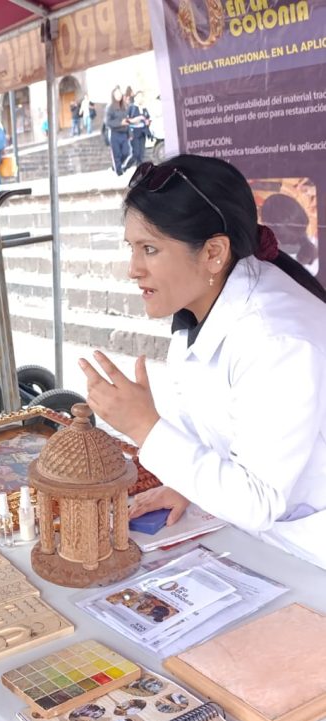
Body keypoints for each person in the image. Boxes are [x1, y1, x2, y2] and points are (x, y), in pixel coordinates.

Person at [79, 154, 326, 570]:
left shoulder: (276, 340)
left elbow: (257, 501)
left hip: (309, 556)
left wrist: (144, 425)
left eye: (150, 249)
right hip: (260, 541)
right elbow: (217, 437)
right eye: (132, 248)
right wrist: (185, 487)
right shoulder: (201, 306)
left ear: (213, 252)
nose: (133, 269)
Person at [105, 86, 130, 176]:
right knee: (117, 154)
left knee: (126, 152)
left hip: (123, 133)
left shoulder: (124, 107)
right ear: (113, 95)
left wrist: (129, 133)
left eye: (120, 93)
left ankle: (116, 165)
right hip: (114, 133)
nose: (119, 95)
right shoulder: (110, 107)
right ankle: (118, 171)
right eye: (117, 93)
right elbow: (108, 122)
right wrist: (120, 123)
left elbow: (127, 121)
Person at [125, 91, 151, 171]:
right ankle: (126, 166)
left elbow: (148, 119)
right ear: (136, 98)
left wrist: (147, 122)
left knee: (141, 153)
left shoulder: (144, 108)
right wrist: (136, 119)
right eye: (139, 96)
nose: (141, 98)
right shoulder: (131, 107)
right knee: (135, 153)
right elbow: (127, 120)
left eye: (142, 97)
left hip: (143, 132)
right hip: (134, 132)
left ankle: (139, 170)